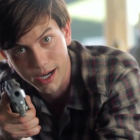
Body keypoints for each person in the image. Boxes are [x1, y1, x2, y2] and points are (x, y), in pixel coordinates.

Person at [0, 0, 140, 140]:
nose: (40, 62)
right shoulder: (5, 86)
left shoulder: (115, 73)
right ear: (6, 57)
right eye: (21, 50)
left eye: (46, 39)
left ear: (66, 31)